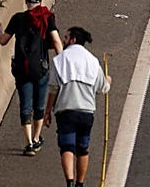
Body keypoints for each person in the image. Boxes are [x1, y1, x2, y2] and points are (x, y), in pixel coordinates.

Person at [0, 0, 64, 156]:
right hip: (41, 69)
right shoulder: (47, 17)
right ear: (40, 2)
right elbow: (56, 41)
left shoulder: (18, 18)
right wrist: (62, 63)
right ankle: (36, 137)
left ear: (26, 2)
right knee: (39, 105)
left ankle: (28, 144)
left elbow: (3, 41)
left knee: (25, 107)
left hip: (22, 70)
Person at [44, 27, 111, 187]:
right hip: (87, 112)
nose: (64, 40)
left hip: (66, 111)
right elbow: (103, 88)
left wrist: (48, 111)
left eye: (66, 37)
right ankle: (80, 184)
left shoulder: (61, 60)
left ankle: (69, 181)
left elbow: (53, 88)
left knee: (67, 147)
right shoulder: (93, 61)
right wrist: (107, 80)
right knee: (83, 148)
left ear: (73, 39)